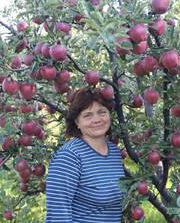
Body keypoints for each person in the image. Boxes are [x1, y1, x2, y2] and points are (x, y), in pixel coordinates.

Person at [45, 87, 125, 222]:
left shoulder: (114, 153)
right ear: (77, 121)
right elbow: (57, 214)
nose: (97, 119)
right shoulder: (69, 156)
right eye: (88, 115)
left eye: (102, 112)